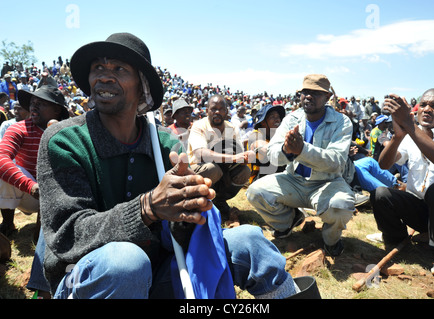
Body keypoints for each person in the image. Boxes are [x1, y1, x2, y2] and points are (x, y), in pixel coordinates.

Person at [37, 33, 301, 299]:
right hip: (91, 280)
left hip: (160, 275)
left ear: (142, 87)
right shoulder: (65, 140)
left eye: (119, 68)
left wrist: (189, 210)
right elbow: (67, 236)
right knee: (126, 262)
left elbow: (174, 237)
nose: (105, 76)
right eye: (98, 68)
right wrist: (147, 207)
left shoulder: (164, 143)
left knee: (250, 241)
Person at [246, 74, 355, 256]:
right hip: (294, 181)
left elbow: (336, 162)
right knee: (255, 192)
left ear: (327, 98)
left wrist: (302, 150)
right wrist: (287, 149)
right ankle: (289, 221)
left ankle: (331, 240)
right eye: (305, 92)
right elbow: (272, 155)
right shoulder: (291, 119)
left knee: (340, 205)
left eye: (316, 93)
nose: (309, 96)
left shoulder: (341, 122)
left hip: (326, 183)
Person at [370, 89, 434, 278]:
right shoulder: (411, 133)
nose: (427, 109)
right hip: (422, 212)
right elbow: (384, 164)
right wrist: (398, 137)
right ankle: (395, 239)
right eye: (423, 105)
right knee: (380, 194)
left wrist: (408, 124)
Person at [0, 85, 69, 239]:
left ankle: (42, 232)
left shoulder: (68, 132)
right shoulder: (19, 129)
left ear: (57, 110)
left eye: (42, 103)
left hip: (57, 196)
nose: (34, 106)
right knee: (3, 170)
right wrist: (30, 186)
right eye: (33, 102)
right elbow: (1, 158)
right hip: (27, 192)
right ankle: (8, 223)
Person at [187, 94, 254, 221]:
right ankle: (199, 203)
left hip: (223, 170)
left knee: (245, 171)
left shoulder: (231, 128)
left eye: (221, 109)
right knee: (212, 169)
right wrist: (234, 158)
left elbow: (240, 152)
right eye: (213, 109)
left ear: (226, 112)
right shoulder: (199, 126)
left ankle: (219, 201)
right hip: (198, 169)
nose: (217, 112)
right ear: (207, 111)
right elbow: (200, 154)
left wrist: (247, 156)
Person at [247, 103, 286, 184]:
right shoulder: (256, 134)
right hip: (258, 181)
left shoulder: (279, 135)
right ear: (263, 122)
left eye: (278, 117)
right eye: (272, 117)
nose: (277, 120)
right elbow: (264, 149)